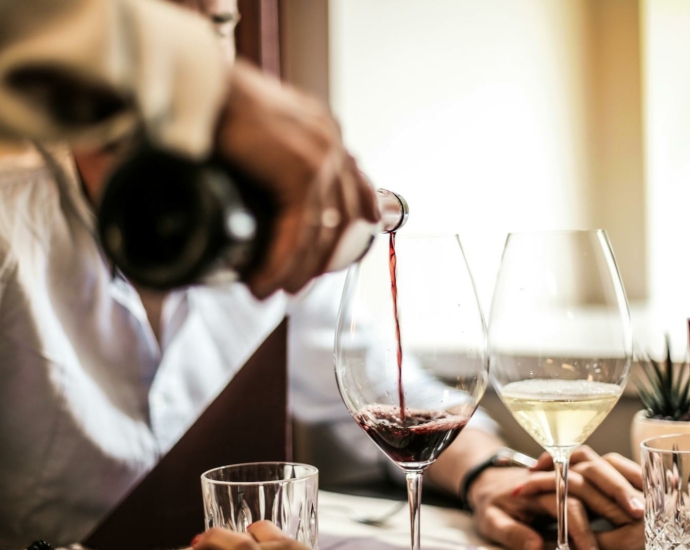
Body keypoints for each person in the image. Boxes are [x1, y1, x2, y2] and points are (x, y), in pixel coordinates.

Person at [0, 2, 645, 550]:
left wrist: (493, 475)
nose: (193, 54)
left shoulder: (275, 236)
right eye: (160, 21)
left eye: (218, 24)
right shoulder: (10, 225)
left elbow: (393, 393)